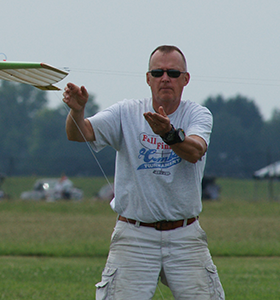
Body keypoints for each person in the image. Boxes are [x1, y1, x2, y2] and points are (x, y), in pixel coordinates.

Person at [63, 45, 224, 300]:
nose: (165, 78)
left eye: (173, 72)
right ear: (148, 78)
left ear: (186, 79)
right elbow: (78, 133)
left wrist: (168, 134)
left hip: (184, 234)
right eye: (158, 72)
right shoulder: (126, 111)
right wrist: (77, 110)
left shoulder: (197, 114)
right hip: (134, 234)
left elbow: (194, 151)